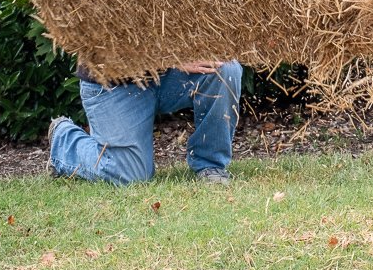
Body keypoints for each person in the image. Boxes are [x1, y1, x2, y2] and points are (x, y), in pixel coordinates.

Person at [47, 60, 241, 186]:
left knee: (226, 69)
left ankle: (210, 165)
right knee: (131, 176)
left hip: (169, 76)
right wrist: (173, 58)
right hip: (114, 82)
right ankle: (64, 139)